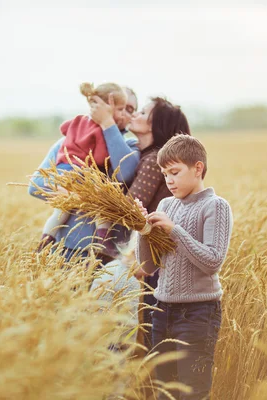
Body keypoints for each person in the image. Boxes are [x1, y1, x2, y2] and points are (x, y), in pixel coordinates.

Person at [135, 135, 234, 400]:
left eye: (175, 172)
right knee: (165, 392)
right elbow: (147, 265)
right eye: (165, 173)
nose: (168, 180)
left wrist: (174, 230)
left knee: (191, 392)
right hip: (162, 310)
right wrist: (142, 229)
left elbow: (212, 261)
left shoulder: (215, 206)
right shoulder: (166, 205)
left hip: (198, 313)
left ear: (198, 168)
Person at [89, 95, 190, 349]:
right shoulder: (146, 155)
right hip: (147, 257)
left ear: (156, 127)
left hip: (149, 261)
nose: (135, 115)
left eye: (143, 113)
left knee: (140, 329)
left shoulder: (155, 160)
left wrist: (85, 195)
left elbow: (130, 206)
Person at [28, 87, 140, 263]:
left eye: (129, 109)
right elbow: (36, 184)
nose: (121, 113)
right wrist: (80, 197)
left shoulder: (132, 146)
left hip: (110, 256)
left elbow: (124, 174)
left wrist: (107, 124)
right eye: (117, 107)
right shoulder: (69, 143)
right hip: (66, 249)